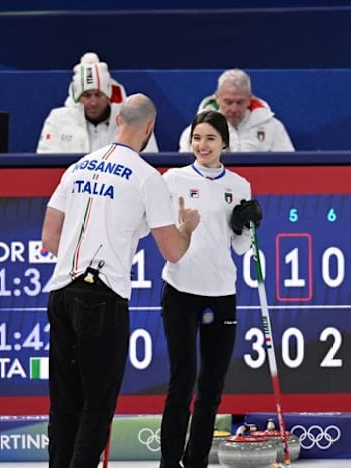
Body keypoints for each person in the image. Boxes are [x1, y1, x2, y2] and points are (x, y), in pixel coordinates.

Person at [41, 94, 199, 468]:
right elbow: (173, 251)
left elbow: (49, 239)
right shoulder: (147, 177)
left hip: (61, 292)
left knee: (64, 403)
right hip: (102, 296)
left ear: (117, 122)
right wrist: (187, 228)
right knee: (97, 406)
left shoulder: (78, 166)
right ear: (149, 129)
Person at [159, 110, 262, 468]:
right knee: (181, 380)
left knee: (212, 385)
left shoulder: (239, 185)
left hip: (221, 291)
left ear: (224, 143)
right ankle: (169, 462)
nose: (202, 145)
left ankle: (196, 460)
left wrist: (246, 226)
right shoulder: (172, 179)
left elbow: (239, 247)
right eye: (197, 138)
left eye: (210, 139)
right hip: (180, 287)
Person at [37, 52, 158, 154]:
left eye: (99, 95)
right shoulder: (58, 120)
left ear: (108, 96)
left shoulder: (133, 118)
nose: (93, 102)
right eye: (87, 95)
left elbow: (149, 160)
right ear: (78, 98)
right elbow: (46, 163)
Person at [178, 68, 294, 152]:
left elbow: (289, 167)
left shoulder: (272, 127)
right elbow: (186, 171)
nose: (234, 108)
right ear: (217, 98)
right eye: (228, 102)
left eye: (240, 102)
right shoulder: (196, 131)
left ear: (250, 99)